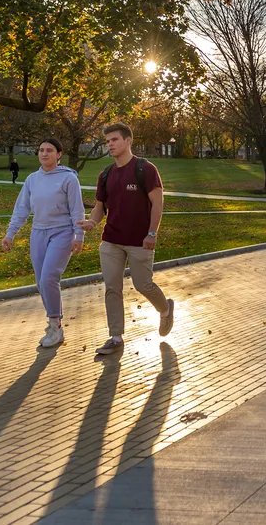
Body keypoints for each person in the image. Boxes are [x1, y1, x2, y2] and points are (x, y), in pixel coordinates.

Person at [82, 122, 175, 356]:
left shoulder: (145, 169)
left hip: (140, 241)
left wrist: (152, 233)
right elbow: (100, 207)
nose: (110, 144)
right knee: (112, 288)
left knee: (143, 284)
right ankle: (115, 337)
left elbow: (157, 203)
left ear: (128, 141)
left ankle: (165, 309)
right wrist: (92, 222)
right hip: (111, 240)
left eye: (114, 140)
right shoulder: (105, 175)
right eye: (107, 141)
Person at [1, 138, 85, 348]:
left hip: (62, 233)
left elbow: (77, 210)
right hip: (38, 233)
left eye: (49, 150)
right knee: (40, 282)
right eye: (41, 150)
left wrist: (79, 236)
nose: (44, 154)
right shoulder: (32, 179)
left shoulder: (68, 179)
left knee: (49, 278)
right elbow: (22, 209)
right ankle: (54, 323)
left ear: (59, 154)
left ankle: (55, 325)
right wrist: (10, 234)